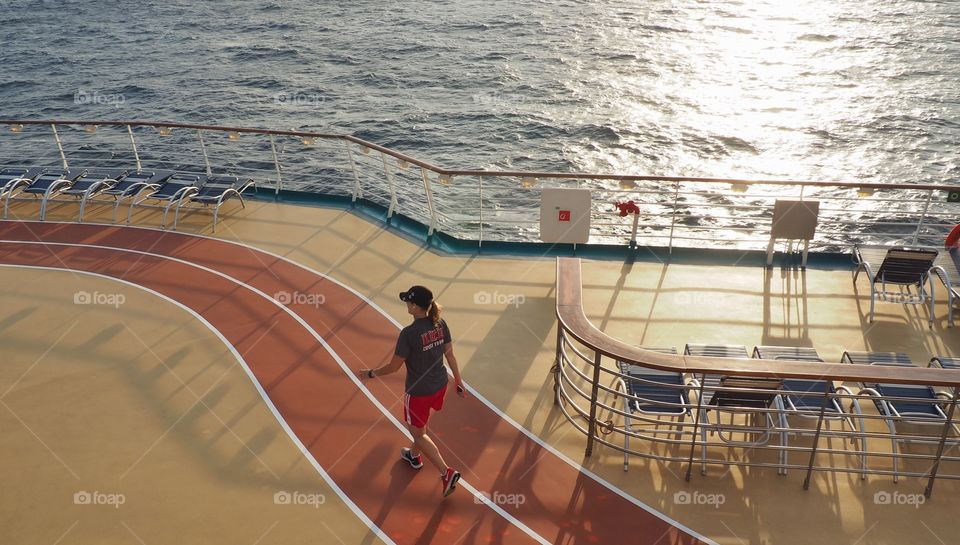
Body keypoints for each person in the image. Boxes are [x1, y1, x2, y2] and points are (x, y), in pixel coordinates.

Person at [358, 285, 465, 497]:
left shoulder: (409, 334)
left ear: (415, 307)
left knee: (417, 432)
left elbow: (394, 367)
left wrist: (371, 373)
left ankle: (446, 472)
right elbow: (450, 354)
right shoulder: (440, 323)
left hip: (418, 392)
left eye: (408, 301)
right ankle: (414, 456)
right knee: (421, 425)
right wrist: (458, 381)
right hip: (440, 384)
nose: (406, 303)